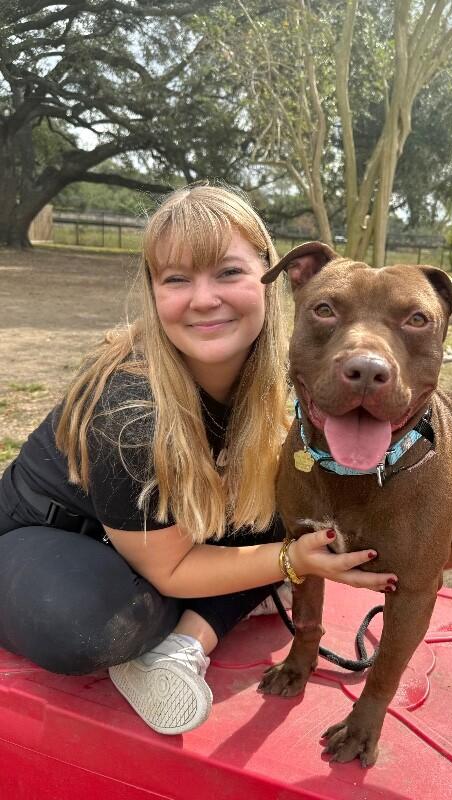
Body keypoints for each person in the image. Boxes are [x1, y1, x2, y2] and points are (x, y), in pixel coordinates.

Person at [0, 184, 397, 736]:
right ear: (154, 292)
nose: (204, 299)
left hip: (160, 531)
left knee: (293, 506)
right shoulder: (130, 412)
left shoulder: (284, 374)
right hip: (52, 534)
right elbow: (170, 568)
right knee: (86, 624)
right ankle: (198, 615)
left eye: (228, 273)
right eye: (178, 279)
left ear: (269, 277)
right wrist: (286, 563)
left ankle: (184, 645)